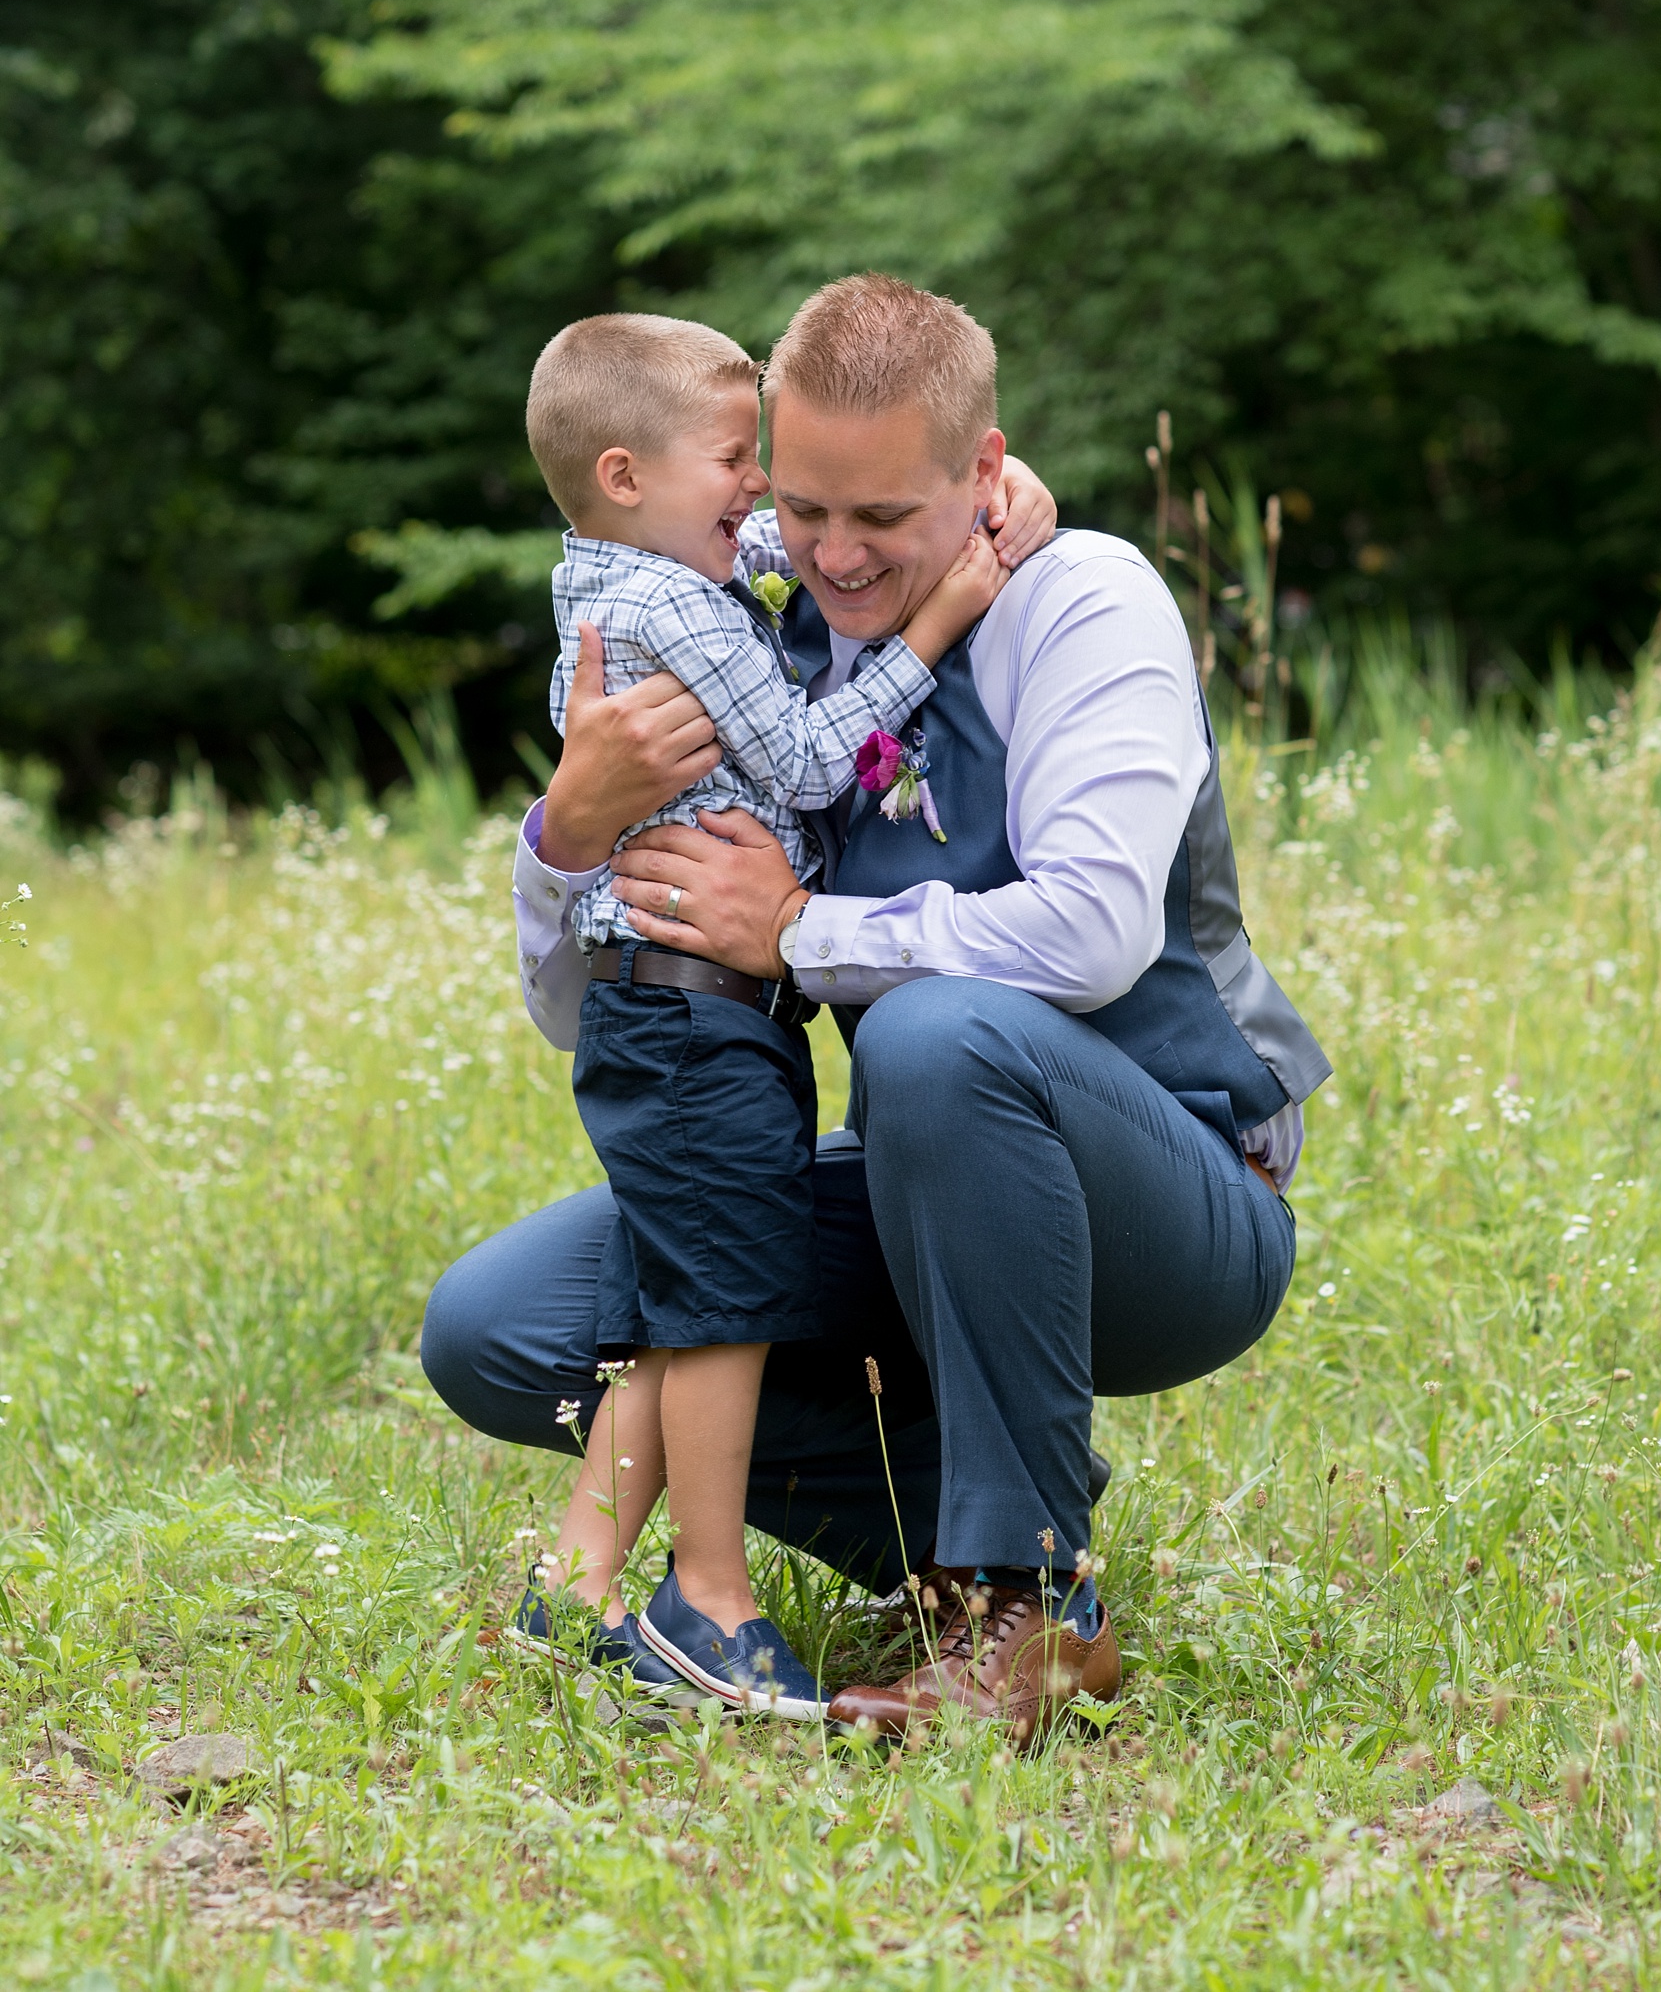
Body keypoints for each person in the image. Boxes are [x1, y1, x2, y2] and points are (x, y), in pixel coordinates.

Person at [423, 273, 1330, 1744]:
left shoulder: (1083, 601)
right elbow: (580, 1013)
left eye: (885, 522)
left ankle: (1025, 1597)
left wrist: (793, 931)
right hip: (930, 1192)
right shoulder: (753, 641)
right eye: (803, 509)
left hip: (1177, 1200)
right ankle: (950, 1531)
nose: (834, 559)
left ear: (982, 478)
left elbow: (1097, 933)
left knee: (934, 1031)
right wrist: (568, 835)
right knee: (505, 1328)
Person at [511, 310, 1057, 1716]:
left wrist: (974, 505)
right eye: (737, 462)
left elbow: (785, 559)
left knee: (676, 1298)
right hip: (702, 1014)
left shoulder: (618, 571)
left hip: (665, 1013)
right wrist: (940, 613)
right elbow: (816, 761)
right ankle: (710, 1603)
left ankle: (573, 1580)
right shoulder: (683, 608)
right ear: (630, 475)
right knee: (725, 1306)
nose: (764, 501)